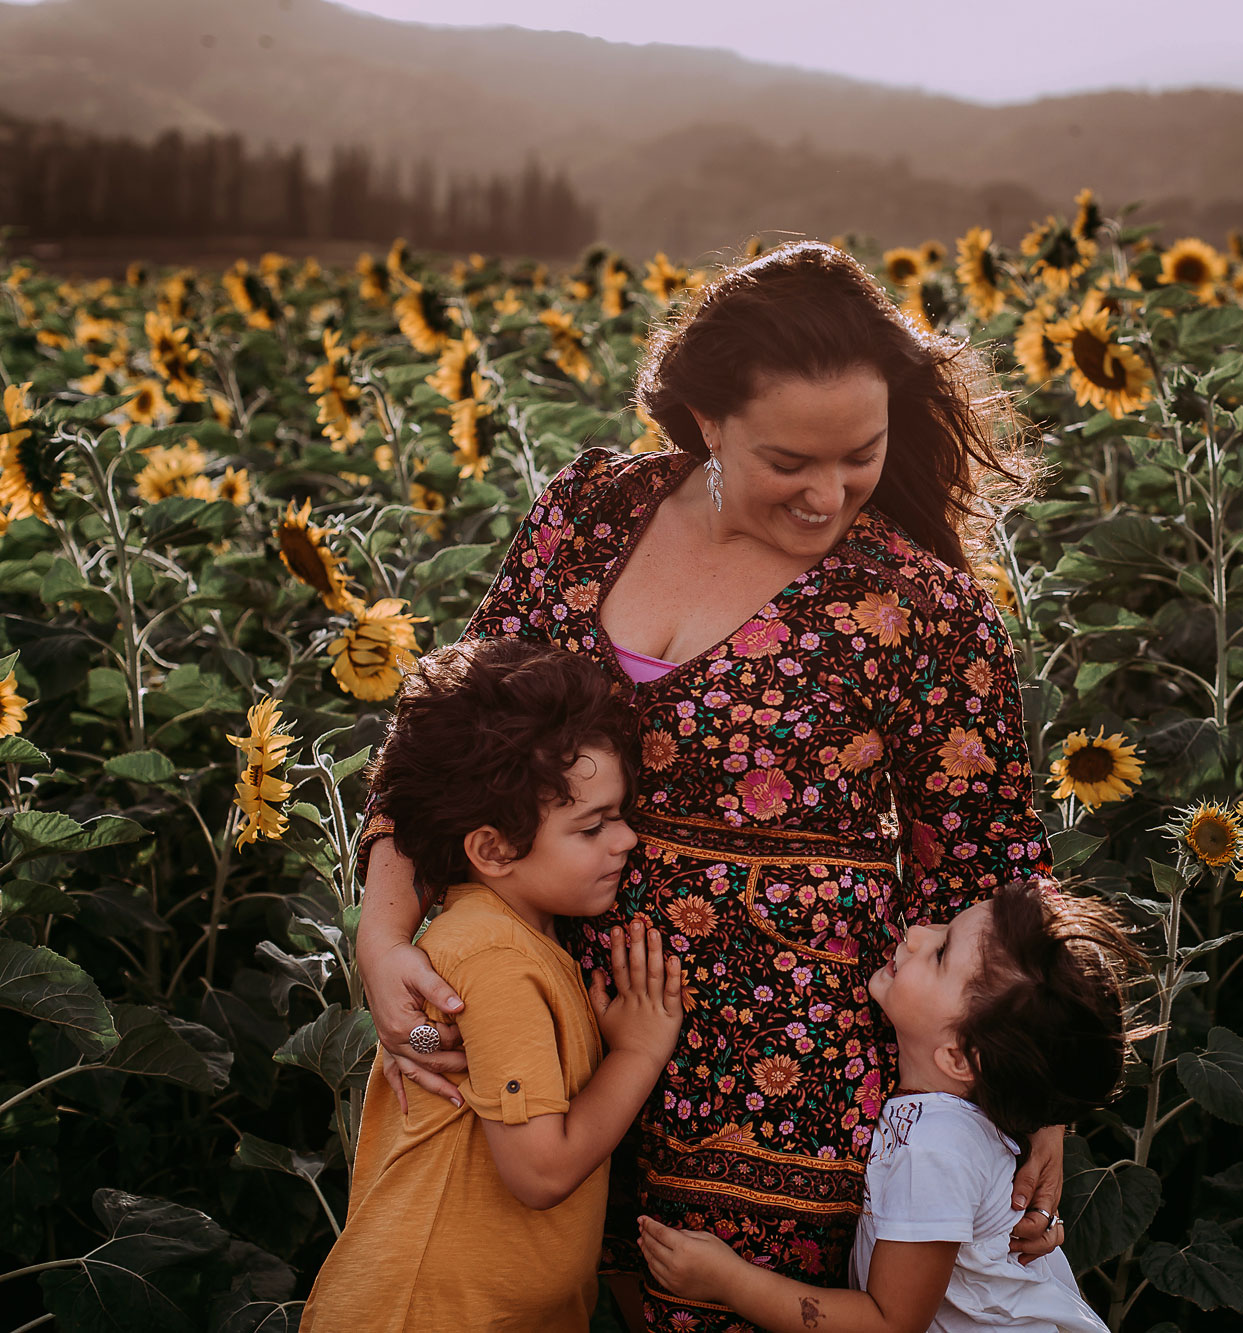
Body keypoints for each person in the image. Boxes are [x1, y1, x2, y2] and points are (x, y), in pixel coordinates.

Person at [354, 240, 1060, 1331]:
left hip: (784, 1077)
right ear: (703, 422)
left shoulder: (920, 606)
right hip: (540, 1019)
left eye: (859, 455)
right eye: (790, 461)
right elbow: (448, 738)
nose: (828, 495)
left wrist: (1033, 1092)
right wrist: (383, 936)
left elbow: (986, 863)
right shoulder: (590, 512)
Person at [303, 639, 685, 1332]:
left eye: (622, 813)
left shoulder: (511, 939)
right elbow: (539, 1172)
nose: (626, 839)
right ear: (492, 849)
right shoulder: (495, 958)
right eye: (593, 824)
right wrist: (640, 1052)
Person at [638, 879, 1138, 1333]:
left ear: (960, 1057)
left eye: (941, 953)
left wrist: (729, 1282)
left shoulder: (935, 1147)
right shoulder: (962, 1109)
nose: (918, 931)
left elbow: (890, 1324)